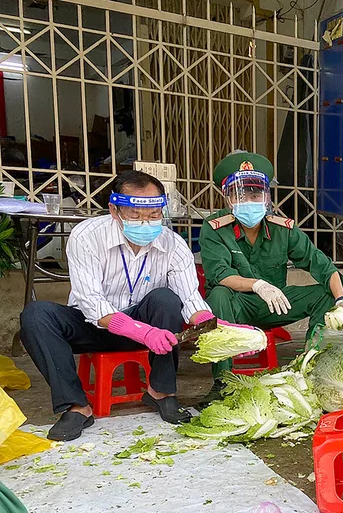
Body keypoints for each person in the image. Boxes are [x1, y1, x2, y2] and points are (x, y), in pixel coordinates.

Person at [19, 170, 225, 440]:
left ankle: (161, 392)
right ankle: (76, 407)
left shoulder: (173, 244)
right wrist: (141, 331)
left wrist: (214, 326)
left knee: (166, 298)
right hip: (91, 326)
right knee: (35, 315)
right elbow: (91, 301)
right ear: (114, 210)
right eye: (135, 215)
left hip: (147, 327)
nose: (145, 223)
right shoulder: (87, 236)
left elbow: (189, 298)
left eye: (153, 216)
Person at [198, 150, 343, 403]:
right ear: (227, 198)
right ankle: (223, 381)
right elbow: (219, 274)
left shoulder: (283, 228)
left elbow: (321, 264)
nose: (249, 200)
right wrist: (258, 285)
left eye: (255, 194)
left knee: (326, 293)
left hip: (276, 304)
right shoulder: (214, 227)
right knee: (218, 294)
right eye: (240, 194)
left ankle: (312, 366)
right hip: (235, 306)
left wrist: (341, 299)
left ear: (267, 196)